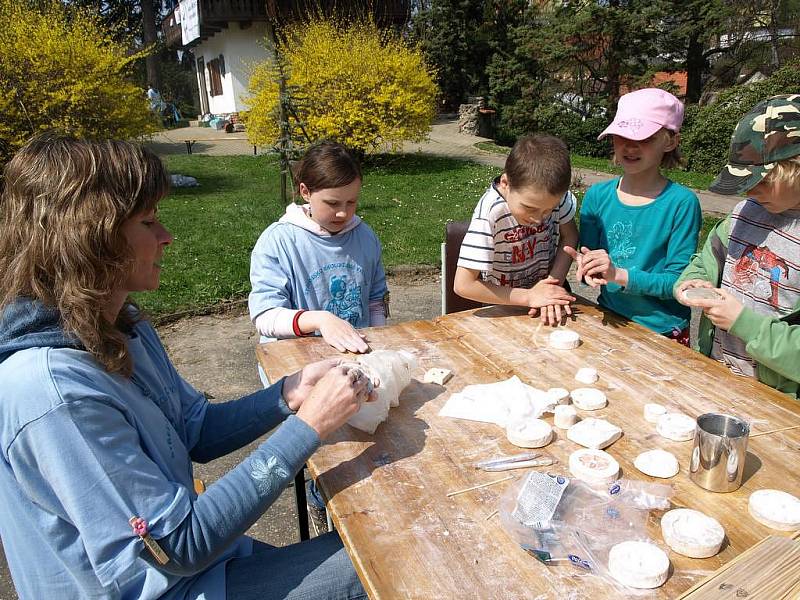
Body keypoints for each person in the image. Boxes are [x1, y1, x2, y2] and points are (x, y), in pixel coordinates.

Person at [0, 133, 371, 600]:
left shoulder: (120, 326)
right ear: (90, 239)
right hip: (165, 584)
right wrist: (310, 426)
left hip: (197, 570)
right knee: (389, 558)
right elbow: (180, 546)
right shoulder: (51, 395)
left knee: (380, 540)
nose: (166, 236)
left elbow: (194, 429)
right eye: (149, 221)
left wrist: (290, 392)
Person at [248, 141, 389, 533]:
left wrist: (378, 342)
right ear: (304, 191)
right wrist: (319, 319)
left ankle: (358, 510)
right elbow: (264, 316)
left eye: (353, 202)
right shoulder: (279, 242)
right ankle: (318, 499)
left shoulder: (364, 237)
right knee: (329, 452)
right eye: (333, 203)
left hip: (356, 362)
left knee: (374, 440)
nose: (344, 213)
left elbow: (376, 298)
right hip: (299, 375)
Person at [675, 94, 800, 398]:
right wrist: (690, 282)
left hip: (776, 400)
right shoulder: (744, 213)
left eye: (764, 180)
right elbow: (707, 261)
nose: (752, 190)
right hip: (718, 373)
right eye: (745, 181)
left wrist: (744, 324)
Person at [568, 88, 702, 345]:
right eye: (622, 135)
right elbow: (591, 256)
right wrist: (589, 268)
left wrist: (618, 275)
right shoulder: (597, 196)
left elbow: (678, 283)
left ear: (671, 141)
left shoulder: (682, 204)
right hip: (609, 317)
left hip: (663, 330)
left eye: (646, 137)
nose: (630, 146)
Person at [454, 134, 578, 325]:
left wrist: (551, 287)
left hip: (544, 300)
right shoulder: (490, 213)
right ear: (505, 183)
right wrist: (529, 297)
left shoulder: (556, 197)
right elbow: (464, 285)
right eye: (529, 208)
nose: (538, 219)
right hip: (503, 305)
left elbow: (569, 237)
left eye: (549, 210)